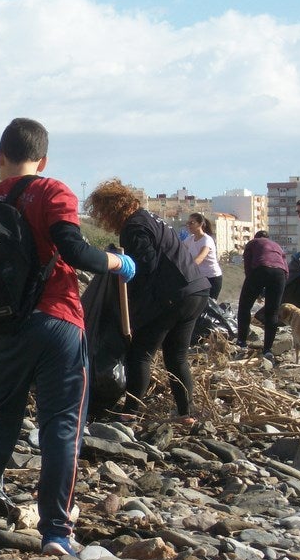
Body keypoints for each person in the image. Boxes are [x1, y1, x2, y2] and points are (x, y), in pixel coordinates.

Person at [0, 118, 135, 556]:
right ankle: (56, 533)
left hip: (5, 330)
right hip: (59, 323)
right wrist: (119, 264)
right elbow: (75, 251)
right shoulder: (52, 191)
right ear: (42, 160)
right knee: (61, 427)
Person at [86, 179, 210, 425]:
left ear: (111, 209)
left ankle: (130, 413)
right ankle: (186, 413)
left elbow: (145, 267)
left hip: (174, 295)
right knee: (176, 356)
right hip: (197, 290)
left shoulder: (133, 227)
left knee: (140, 353)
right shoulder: (152, 219)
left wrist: (132, 311)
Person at [236, 230, 288, 361]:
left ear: (256, 237)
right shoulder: (277, 246)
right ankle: (267, 350)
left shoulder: (252, 243)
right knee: (272, 312)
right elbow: (286, 268)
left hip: (261, 269)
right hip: (280, 274)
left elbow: (248, 266)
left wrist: (254, 287)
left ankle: (241, 343)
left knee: (244, 307)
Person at [184, 212, 223, 301]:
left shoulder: (206, 240)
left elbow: (200, 258)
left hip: (212, 278)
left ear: (200, 224)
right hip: (199, 278)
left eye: (192, 223)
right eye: (188, 223)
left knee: (209, 305)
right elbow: (179, 250)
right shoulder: (190, 239)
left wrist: (186, 268)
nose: (189, 225)